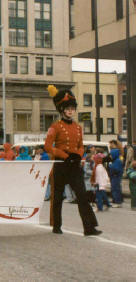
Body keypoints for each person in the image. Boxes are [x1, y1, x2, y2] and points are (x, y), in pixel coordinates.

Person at [44, 85, 101, 236]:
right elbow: (48, 146)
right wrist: (64, 155)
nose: (70, 111)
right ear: (62, 109)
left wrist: (78, 155)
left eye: (72, 108)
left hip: (74, 165)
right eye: (67, 108)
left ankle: (89, 228)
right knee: (57, 197)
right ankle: (56, 225)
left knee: (82, 196)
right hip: (61, 165)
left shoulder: (78, 127)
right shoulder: (55, 127)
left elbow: (81, 145)